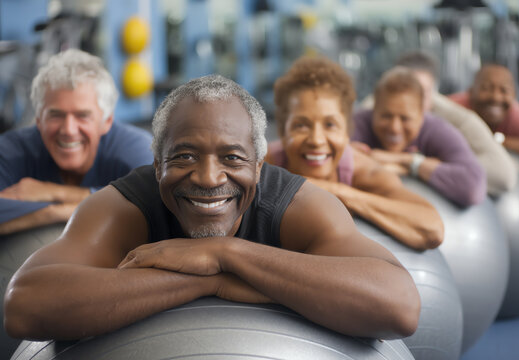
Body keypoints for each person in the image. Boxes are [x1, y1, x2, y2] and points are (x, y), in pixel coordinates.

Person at [4, 74, 420, 341]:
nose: (208, 177)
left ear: (258, 166)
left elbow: (400, 306)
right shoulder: (125, 205)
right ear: (156, 164)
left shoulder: (297, 204)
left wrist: (226, 254)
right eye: (183, 156)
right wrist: (208, 281)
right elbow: (24, 306)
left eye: (232, 158)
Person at [266, 56, 443, 250]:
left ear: (347, 132)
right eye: (301, 125)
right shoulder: (264, 166)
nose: (316, 140)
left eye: (330, 125)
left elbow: (431, 228)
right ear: (283, 131)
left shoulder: (362, 171)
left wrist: (338, 192)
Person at [0, 49, 154, 235]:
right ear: (39, 120)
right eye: (55, 115)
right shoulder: (12, 150)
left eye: (82, 116)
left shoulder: (135, 149)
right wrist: (50, 214)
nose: (68, 130)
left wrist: (54, 194)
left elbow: (154, 204)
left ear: (106, 122)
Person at [360, 50, 516, 196]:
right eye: (403, 89)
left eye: (422, 92)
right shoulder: (370, 110)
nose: (409, 101)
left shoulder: (457, 120)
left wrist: (416, 164)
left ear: (434, 91)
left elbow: (502, 175)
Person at [353, 67, 487, 207]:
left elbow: (473, 187)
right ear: (374, 110)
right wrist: (429, 165)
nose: (394, 127)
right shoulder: (358, 123)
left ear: (421, 116)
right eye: (386, 116)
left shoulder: (437, 129)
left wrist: (410, 162)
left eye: (405, 119)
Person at [450, 63, 519, 165]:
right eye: (486, 88)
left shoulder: (515, 113)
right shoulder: (453, 107)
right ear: (471, 92)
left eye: (504, 90)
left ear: (514, 95)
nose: (495, 97)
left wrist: (498, 141)